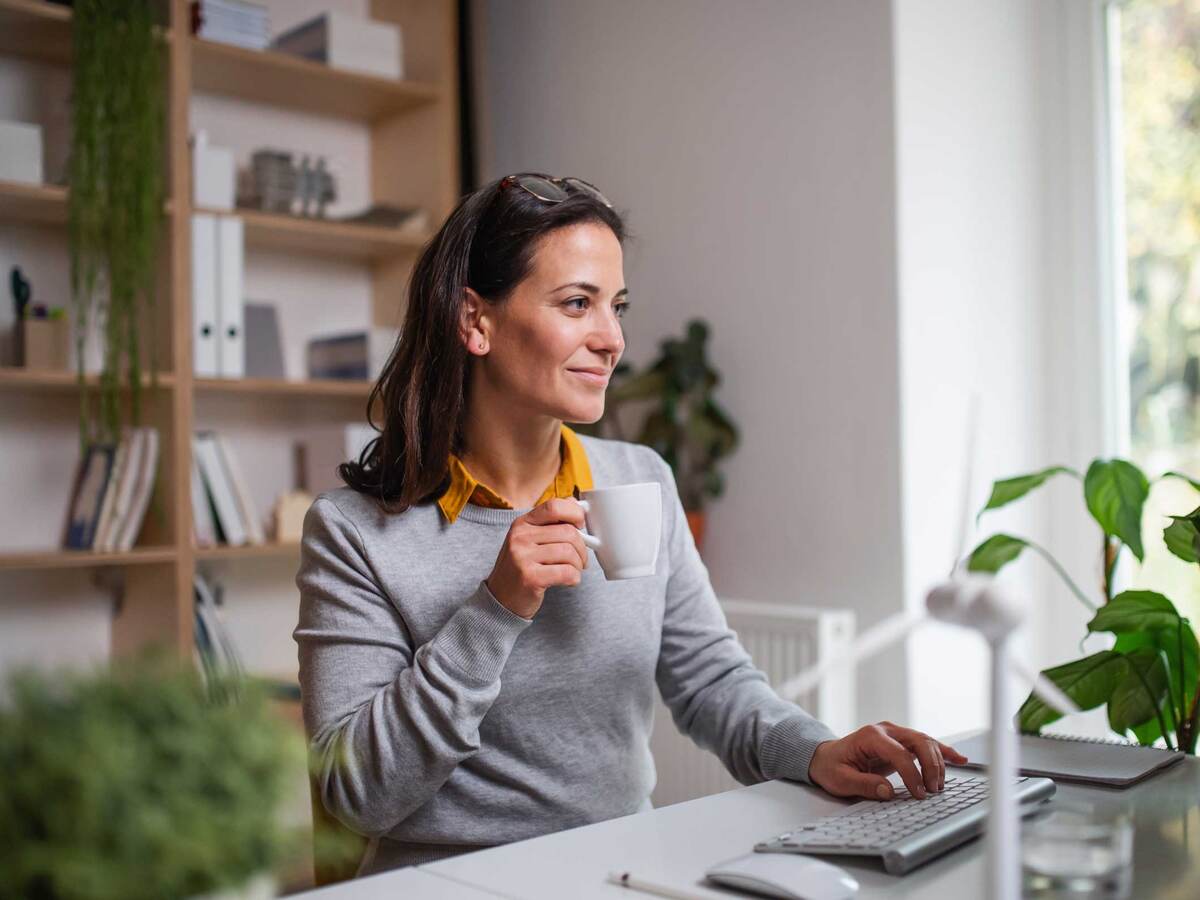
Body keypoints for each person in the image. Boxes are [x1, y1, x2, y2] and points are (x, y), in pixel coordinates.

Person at [294, 173, 967, 876]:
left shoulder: (638, 479)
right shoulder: (353, 532)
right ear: (475, 321)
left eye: (616, 306)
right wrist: (493, 610)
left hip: (623, 872)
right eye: (577, 303)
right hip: (453, 884)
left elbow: (711, 682)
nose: (612, 339)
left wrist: (815, 751)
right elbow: (355, 795)